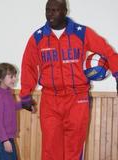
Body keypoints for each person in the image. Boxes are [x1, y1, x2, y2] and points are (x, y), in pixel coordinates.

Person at [20, 0, 118, 160]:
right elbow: (28, 65)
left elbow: (107, 51)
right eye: (48, 10)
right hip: (50, 100)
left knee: (74, 149)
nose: (50, 13)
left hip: (77, 98)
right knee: (50, 150)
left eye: (55, 10)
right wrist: (25, 94)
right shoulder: (38, 38)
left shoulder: (81, 33)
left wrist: (117, 74)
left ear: (65, 11)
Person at [0, 63, 34, 160]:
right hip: (2, 138)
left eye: (15, 76)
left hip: (8, 137)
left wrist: (25, 105)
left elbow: (12, 106)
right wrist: (4, 140)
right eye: (11, 76)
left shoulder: (8, 93)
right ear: (1, 78)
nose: (14, 79)